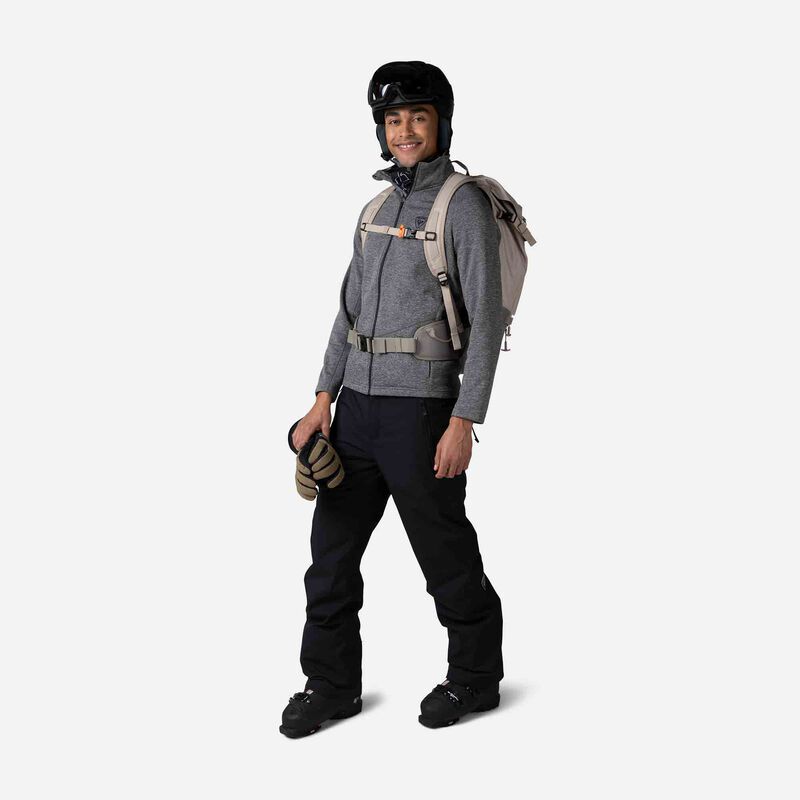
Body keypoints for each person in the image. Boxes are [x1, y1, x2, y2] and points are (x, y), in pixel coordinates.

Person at [280, 61, 505, 738]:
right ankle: (330, 685)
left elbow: (487, 322)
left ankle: (474, 677)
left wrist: (464, 418)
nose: (404, 130)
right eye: (393, 119)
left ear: (441, 123)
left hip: (422, 413)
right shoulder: (375, 210)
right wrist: (322, 398)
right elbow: (346, 311)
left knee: (444, 555)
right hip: (355, 411)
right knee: (330, 559)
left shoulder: (462, 205)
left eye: (418, 117)